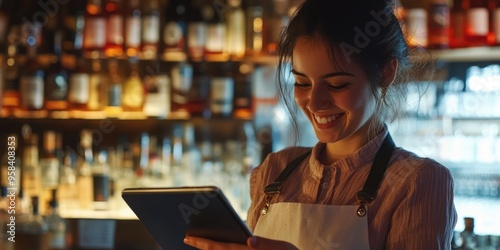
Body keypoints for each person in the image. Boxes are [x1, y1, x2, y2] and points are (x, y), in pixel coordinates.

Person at [184, 0, 457, 249]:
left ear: (386, 72)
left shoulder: (417, 182)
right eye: (302, 83)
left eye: (337, 84)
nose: (314, 103)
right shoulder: (273, 172)